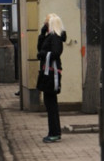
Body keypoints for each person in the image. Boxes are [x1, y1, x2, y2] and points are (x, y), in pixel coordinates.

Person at [37, 13, 66, 143]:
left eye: (46, 24)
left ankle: (54, 132)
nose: (45, 25)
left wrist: (42, 54)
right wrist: (42, 35)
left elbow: (55, 53)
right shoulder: (50, 36)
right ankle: (54, 132)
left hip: (51, 73)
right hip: (48, 71)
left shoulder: (55, 37)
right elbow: (40, 47)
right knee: (50, 103)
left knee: (51, 104)